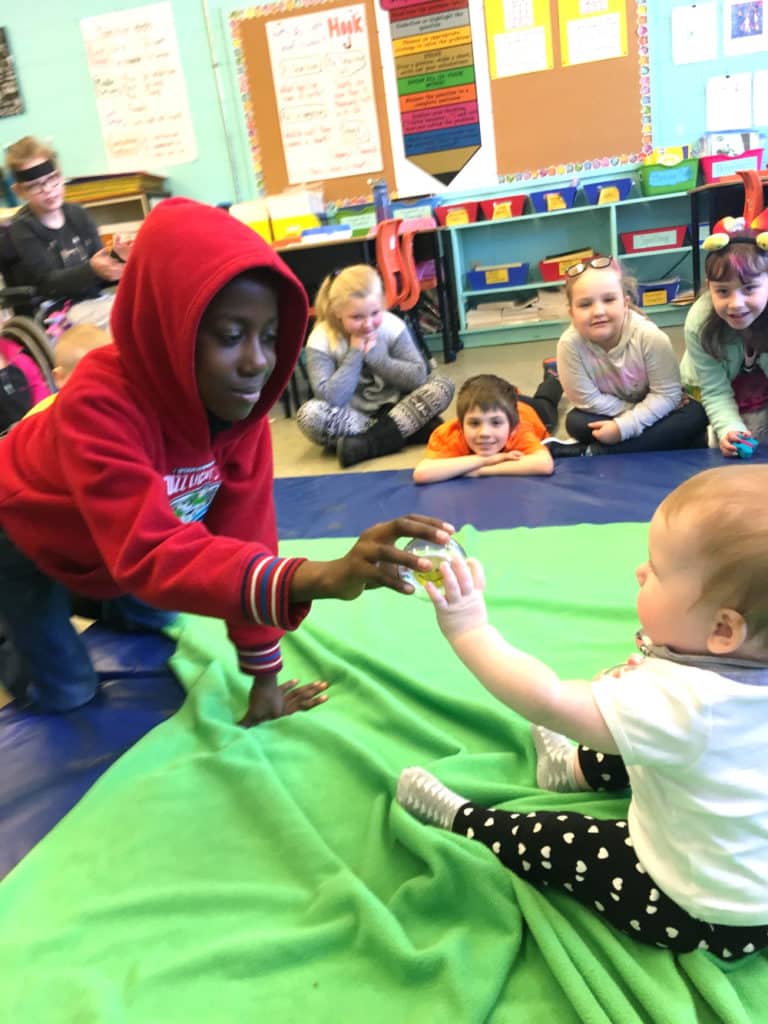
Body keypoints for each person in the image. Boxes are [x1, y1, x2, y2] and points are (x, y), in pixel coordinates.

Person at [0, 197, 455, 724]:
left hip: (102, 541)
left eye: (269, 337)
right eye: (230, 336)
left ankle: (90, 591)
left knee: (162, 612)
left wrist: (265, 681)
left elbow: (247, 537)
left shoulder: (240, 416)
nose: (258, 361)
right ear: (168, 327)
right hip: (22, 538)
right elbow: (152, 552)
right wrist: (315, 577)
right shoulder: (100, 403)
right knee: (69, 692)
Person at [397, 464, 768, 961]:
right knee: (645, 740)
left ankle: (470, 823)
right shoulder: (725, 678)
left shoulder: (683, 705)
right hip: (754, 889)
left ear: (723, 631)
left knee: (566, 842)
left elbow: (549, 699)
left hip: (697, 908)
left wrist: (468, 628)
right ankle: (569, 769)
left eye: (655, 570)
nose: (640, 572)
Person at [296, 264, 455, 467]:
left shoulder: (391, 325)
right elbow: (331, 398)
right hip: (355, 417)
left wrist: (378, 358)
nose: (368, 324)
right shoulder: (321, 338)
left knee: (443, 384)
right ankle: (407, 429)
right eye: (356, 317)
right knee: (308, 415)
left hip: (397, 405)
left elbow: (417, 378)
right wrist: (355, 354)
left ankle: (367, 444)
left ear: (382, 304)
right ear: (338, 312)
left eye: (374, 313)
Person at [557, 255, 708, 454]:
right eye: (585, 305)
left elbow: (667, 395)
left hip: (657, 408)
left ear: (625, 303)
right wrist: (630, 416)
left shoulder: (650, 337)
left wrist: (624, 428)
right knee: (576, 422)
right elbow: (588, 400)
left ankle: (602, 451)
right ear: (572, 313)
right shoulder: (569, 345)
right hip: (624, 411)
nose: (598, 311)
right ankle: (660, 442)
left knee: (694, 414)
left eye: (609, 300)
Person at [4, 136, 130, 329]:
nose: (47, 190)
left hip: (95, 301)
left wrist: (119, 260)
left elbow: (101, 267)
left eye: (52, 180)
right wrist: (93, 269)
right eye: (35, 186)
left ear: (60, 176)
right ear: (19, 191)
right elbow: (47, 283)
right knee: (122, 318)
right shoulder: (22, 227)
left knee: (141, 306)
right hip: (56, 314)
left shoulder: (78, 214)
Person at [681, 234, 768, 456]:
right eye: (722, 291)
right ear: (710, 288)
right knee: (693, 420)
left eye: (749, 288)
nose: (736, 304)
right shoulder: (699, 322)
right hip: (711, 388)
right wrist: (729, 429)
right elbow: (715, 390)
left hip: (758, 386)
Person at [412, 373, 554, 484]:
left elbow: (544, 464)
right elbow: (422, 473)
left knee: (546, 403)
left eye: (496, 423)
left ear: (512, 428)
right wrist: (489, 459)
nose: (484, 433)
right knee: (498, 405)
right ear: (461, 426)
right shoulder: (449, 434)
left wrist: (479, 471)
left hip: (530, 410)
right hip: (502, 406)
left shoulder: (521, 429)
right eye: (474, 423)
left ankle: (552, 378)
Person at [23, 323, 111, 418]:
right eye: (90, 378)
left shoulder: (116, 400)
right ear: (59, 378)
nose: (101, 387)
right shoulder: (42, 414)